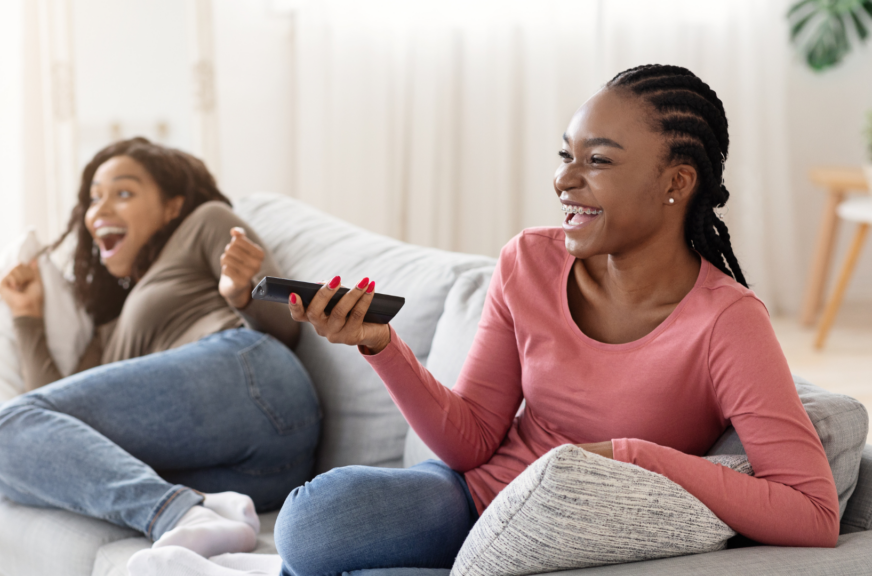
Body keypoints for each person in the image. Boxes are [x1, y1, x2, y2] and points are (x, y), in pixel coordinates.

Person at [273, 65, 839, 576]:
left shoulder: (728, 321)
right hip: (472, 500)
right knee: (311, 523)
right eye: (566, 155)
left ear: (676, 183)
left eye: (598, 160)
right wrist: (382, 345)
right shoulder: (529, 261)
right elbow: (469, 443)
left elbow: (813, 515)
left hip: (568, 540)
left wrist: (626, 455)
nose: (565, 180)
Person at [0, 138, 320, 558]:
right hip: (258, 475)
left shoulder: (204, 223)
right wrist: (27, 316)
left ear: (172, 206)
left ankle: (178, 514)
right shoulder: (108, 330)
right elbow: (40, 418)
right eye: (94, 199)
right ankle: (199, 506)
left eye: (124, 193)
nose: (101, 210)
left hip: (254, 375)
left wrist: (242, 295)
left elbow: (288, 329)